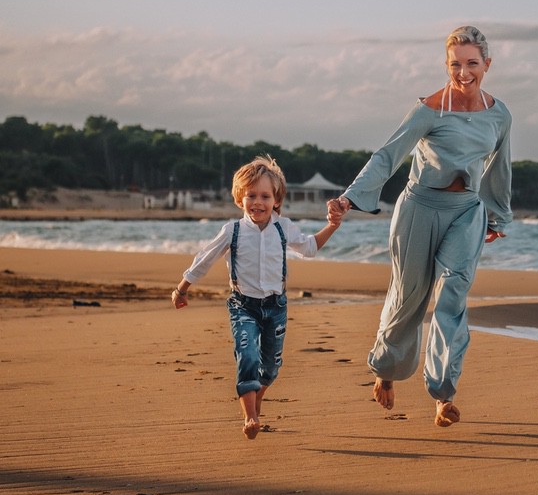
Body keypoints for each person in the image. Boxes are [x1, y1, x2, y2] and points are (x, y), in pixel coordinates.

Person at [327, 26, 511, 428]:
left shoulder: (499, 114)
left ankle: (444, 394)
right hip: (419, 208)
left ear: (487, 65)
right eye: (455, 64)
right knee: (408, 299)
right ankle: (386, 368)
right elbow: (388, 155)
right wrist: (349, 197)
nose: (463, 72)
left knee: (453, 293)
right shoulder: (429, 109)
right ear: (446, 65)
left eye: (472, 63)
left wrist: (497, 216)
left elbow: (500, 167)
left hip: (466, 211)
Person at [172, 154, 342, 438]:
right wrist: (182, 288)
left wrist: (333, 226)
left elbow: (310, 247)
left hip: (276, 306)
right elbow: (205, 259)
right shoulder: (233, 231)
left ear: (276, 200)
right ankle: (250, 417)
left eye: (265, 196)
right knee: (247, 356)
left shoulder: (283, 227)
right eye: (251, 195)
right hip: (243, 306)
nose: (258, 202)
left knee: (271, 368)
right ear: (240, 199)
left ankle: (258, 394)